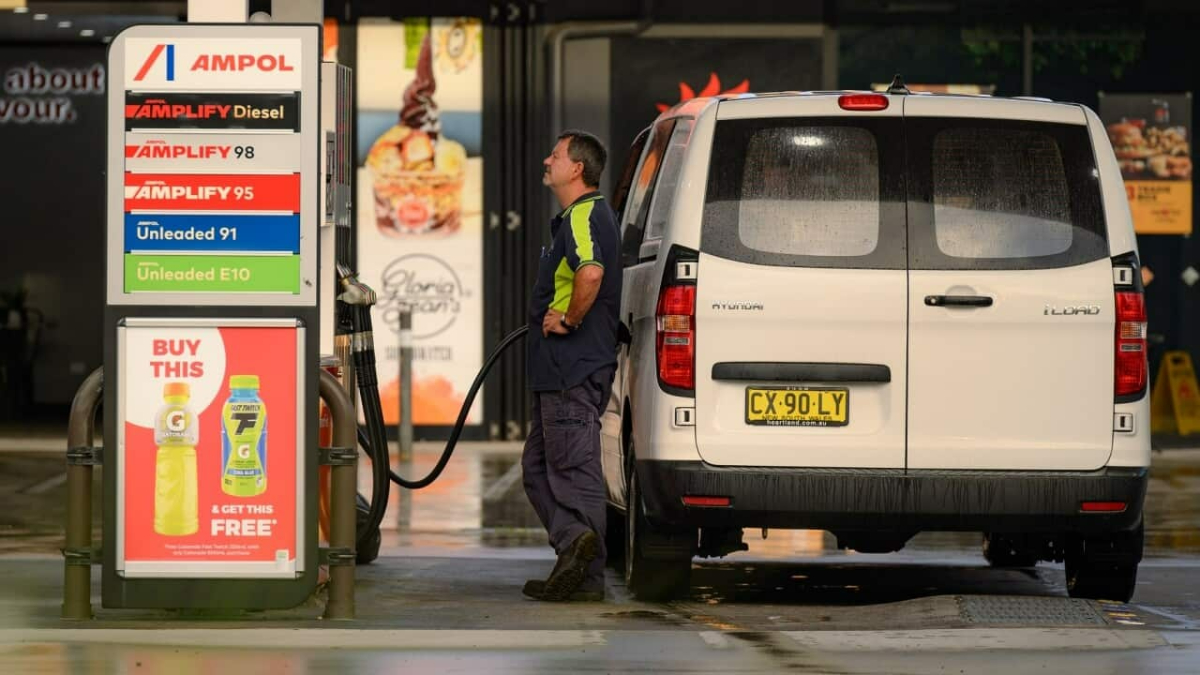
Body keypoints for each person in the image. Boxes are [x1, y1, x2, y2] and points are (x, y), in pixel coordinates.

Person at [521, 130, 622, 602]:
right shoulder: (570, 219)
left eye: (555, 155)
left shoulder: (583, 215)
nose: (547, 160)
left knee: (571, 469)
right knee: (539, 467)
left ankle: (585, 573)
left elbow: (592, 271)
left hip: (571, 368)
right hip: (560, 370)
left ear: (577, 168)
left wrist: (570, 317)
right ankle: (573, 550)